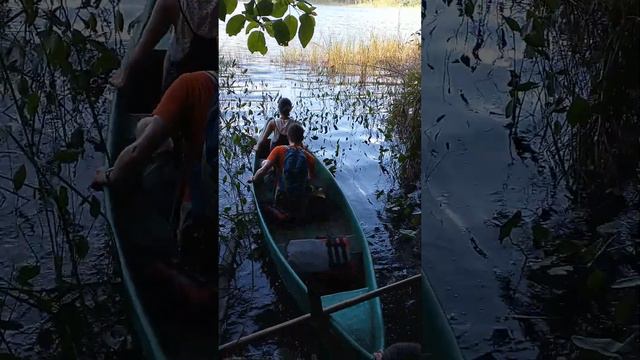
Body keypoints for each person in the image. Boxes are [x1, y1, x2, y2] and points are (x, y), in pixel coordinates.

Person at [111, 0, 217, 90]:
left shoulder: (169, 3)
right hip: (215, 83)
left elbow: (142, 51)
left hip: (180, 87)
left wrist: (123, 75)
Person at [251, 123, 315, 217]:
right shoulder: (310, 157)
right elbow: (310, 178)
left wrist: (254, 179)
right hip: (299, 199)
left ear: (288, 137)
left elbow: (263, 171)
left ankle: (278, 212)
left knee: (269, 174)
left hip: (282, 197)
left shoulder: (279, 150)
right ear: (302, 138)